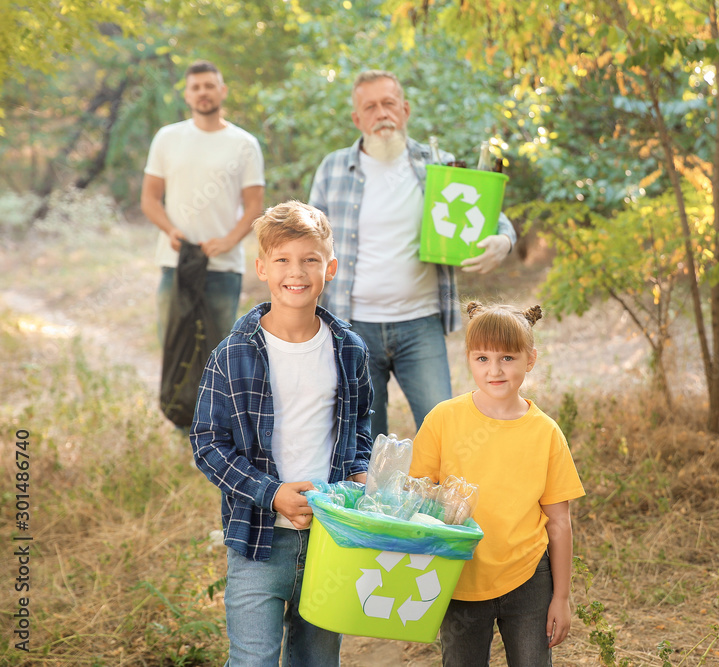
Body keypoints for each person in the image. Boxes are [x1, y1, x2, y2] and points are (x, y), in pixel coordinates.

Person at [190, 201, 373, 666]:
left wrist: (358, 474)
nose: (298, 271)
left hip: (330, 540)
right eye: (284, 260)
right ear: (262, 268)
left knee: (316, 659)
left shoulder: (349, 350)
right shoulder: (233, 354)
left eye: (311, 259)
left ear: (329, 268)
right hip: (257, 541)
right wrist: (270, 494)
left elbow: (360, 429)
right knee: (252, 660)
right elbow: (208, 444)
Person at [308, 69, 517, 439]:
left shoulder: (438, 164)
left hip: (420, 324)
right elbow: (307, 238)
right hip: (353, 327)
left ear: (404, 110)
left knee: (443, 431)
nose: (381, 113)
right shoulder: (333, 169)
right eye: (370, 107)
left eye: (389, 103)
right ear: (357, 119)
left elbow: (491, 215)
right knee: (363, 439)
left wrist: (504, 240)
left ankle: (442, 499)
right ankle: (372, 499)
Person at [409, 302, 585, 667]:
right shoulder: (443, 419)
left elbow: (559, 521)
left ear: (530, 359)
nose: (494, 370)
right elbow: (415, 497)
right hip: (460, 573)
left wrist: (562, 597)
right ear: (469, 359)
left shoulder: (546, 433)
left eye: (507, 358)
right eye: (483, 358)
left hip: (529, 579)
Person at [141, 59, 265, 346]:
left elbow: (255, 207)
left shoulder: (244, 144)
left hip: (223, 266)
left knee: (219, 353)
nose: (202, 92)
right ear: (187, 95)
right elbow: (149, 199)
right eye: (195, 87)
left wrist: (229, 241)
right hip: (176, 263)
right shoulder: (167, 138)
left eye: (209, 85)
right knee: (174, 350)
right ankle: (173, 396)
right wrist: (170, 231)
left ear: (223, 91)